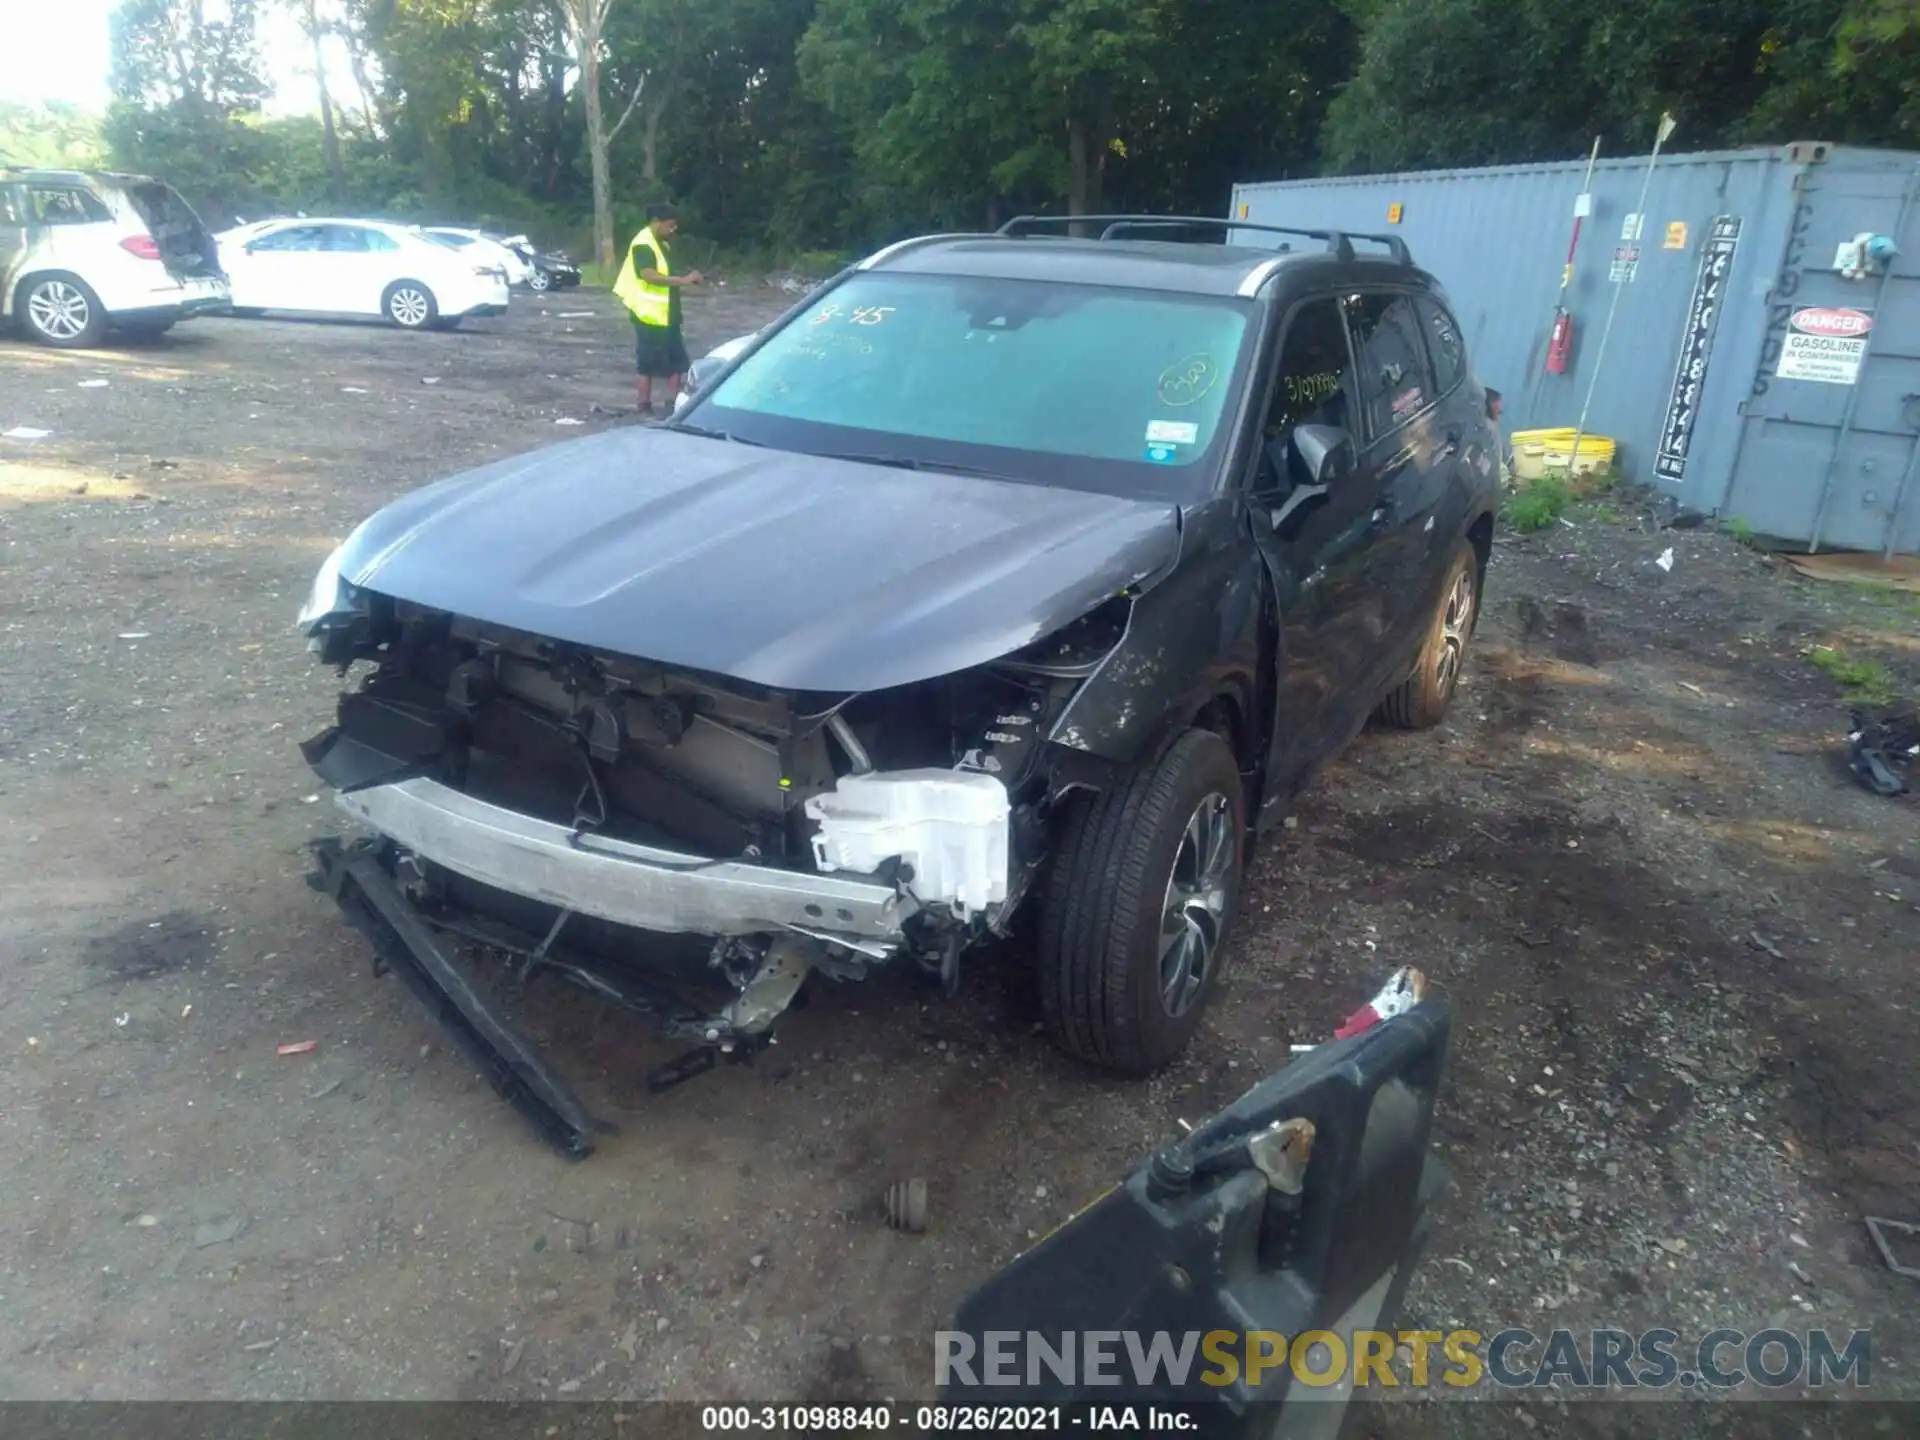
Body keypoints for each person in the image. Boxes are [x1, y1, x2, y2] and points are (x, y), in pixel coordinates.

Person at [611, 202, 704, 416]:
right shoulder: (643, 244)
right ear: (656, 222)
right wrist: (683, 280)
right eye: (670, 225)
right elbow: (648, 275)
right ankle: (644, 406)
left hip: (667, 314)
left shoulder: (661, 243)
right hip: (648, 315)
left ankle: (672, 407)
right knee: (648, 364)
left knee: (678, 362)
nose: (673, 230)